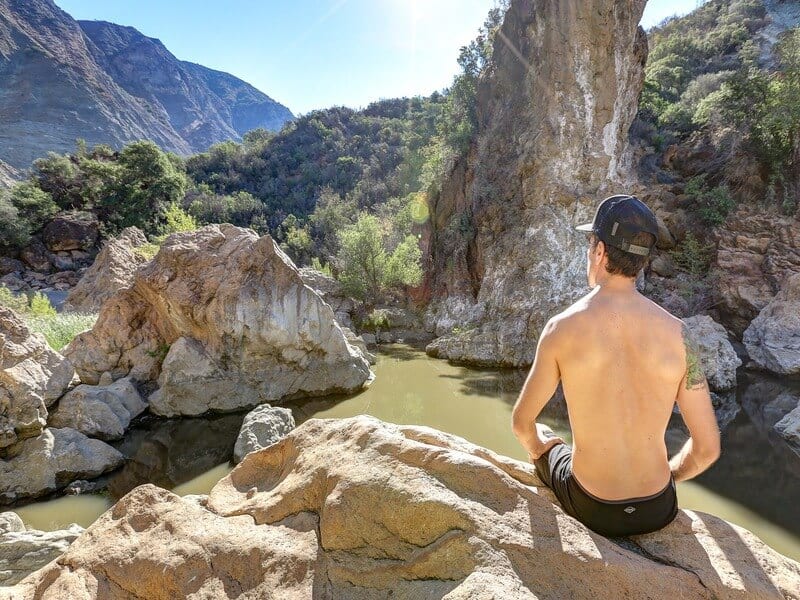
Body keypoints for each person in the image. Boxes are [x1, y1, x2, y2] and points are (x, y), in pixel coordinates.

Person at [511, 194, 721, 537]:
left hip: (592, 507)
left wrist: (540, 448)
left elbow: (522, 424)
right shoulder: (682, 337)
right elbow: (707, 449)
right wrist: (669, 477)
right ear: (642, 260)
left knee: (549, 437)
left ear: (600, 252)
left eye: (591, 243)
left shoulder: (561, 329)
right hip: (657, 508)